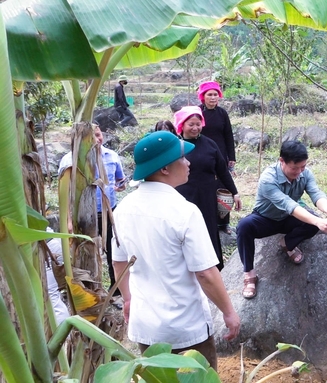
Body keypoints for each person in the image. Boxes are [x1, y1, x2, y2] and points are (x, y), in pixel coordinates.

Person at [112, 131, 240, 370]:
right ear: (164, 169)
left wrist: (128, 299)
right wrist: (229, 312)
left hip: (147, 326)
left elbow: (119, 263)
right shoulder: (184, 211)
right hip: (185, 327)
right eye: (182, 158)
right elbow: (205, 273)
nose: (189, 163)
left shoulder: (122, 209)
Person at [236, 141, 327, 299]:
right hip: (266, 218)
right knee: (244, 227)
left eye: (303, 167)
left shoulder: (305, 173)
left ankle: (287, 243)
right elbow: (288, 204)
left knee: (313, 224)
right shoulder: (268, 178)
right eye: (295, 168)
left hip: (289, 218)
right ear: (281, 161)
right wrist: (317, 221)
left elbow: (315, 193)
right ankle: (249, 274)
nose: (299, 171)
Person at [59, 126, 126, 305]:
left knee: (115, 252)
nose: (97, 139)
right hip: (82, 216)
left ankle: (116, 292)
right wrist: (68, 221)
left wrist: (119, 186)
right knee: (85, 252)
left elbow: (121, 180)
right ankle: (87, 291)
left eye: (98, 135)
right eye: (92, 136)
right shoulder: (68, 160)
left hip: (109, 211)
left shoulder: (111, 156)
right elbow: (64, 194)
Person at [173, 106, 242, 271]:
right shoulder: (174, 146)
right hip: (182, 196)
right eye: (191, 124)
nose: (195, 128)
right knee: (184, 232)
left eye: (198, 124)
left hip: (206, 195)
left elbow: (223, 171)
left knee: (208, 230)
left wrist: (235, 193)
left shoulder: (209, 144)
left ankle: (213, 269)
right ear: (182, 125)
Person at [197, 81, 237, 234]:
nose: (213, 98)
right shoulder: (198, 112)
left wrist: (231, 157)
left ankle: (224, 223)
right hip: (204, 155)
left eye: (215, 94)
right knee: (207, 188)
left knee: (224, 190)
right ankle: (208, 221)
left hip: (221, 155)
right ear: (203, 96)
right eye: (209, 95)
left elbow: (228, 135)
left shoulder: (222, 113)